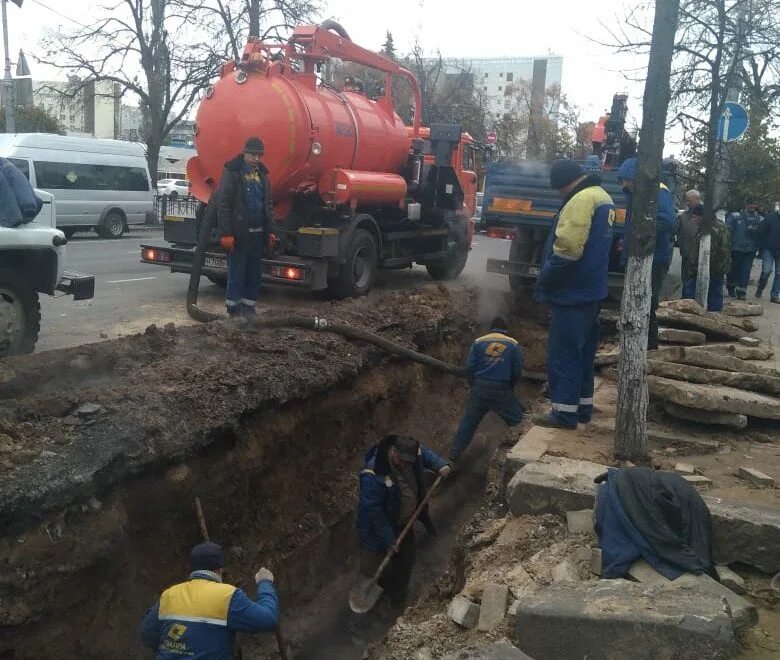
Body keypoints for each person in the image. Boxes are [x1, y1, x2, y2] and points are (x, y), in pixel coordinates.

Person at [533, 159, 614, 430]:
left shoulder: (580, 200)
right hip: (591, 290)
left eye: (558, 189)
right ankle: (582, 409)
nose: (558, 194)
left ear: (564, 183)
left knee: (564, 354)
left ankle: (563, 415)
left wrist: (545, 278)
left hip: (572, 291)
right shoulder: (601, 196)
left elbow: (568, 249)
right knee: (583, 353)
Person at [140, 542, 278, 659]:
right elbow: (267, 619)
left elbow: (147, 634)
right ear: (220, 569)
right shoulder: (228, 596)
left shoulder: (170, 594)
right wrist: (265, 583)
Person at [356, 434, 450, 607]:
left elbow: (423, 453)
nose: (406, 465)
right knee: (374, 565)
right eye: (403, 461)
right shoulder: (373, 475)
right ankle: (375, 596)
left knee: (405, 560)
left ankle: (396, 598)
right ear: (393, 451)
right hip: (377, 529)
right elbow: (375, 513)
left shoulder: (410, 454)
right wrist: (389, 540)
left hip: (403, 523)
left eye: (409, 462)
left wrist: (440, 464)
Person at [617, 157, 676, 349]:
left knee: (646, 302)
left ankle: (649, 346)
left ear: (635, 177)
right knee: (639, 301)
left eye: (626, 180)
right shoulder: (638, 192)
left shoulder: (658, 191)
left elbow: (667, 220)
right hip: (642, 255)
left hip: (653, 257)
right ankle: (639, 344)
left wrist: (641, 233)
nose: (624, 185)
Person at [448, 317, 524, 463]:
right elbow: (517, 370)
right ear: (505, 330)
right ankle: (519, 454)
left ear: (491, 328)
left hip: (479, 387)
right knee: (519, 421)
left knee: (469, 423)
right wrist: (510, 387)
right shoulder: (513, 344)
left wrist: (473, 384)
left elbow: (469, 367)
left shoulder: (478, 342)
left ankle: (453, 456)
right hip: (501, 388)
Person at [217, 137, 274, 319]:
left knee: (253, 274)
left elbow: (268, 204)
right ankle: (234, 309)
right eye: (253, 155)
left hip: (258, 234)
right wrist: (226, 233)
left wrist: (271, 230)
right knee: (237, 272)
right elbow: (224, 205)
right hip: (240, 234)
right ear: (245, 153)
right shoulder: (233, 173)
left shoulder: (262, 175)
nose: (256, 159)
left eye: (259, 156)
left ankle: (249, 308)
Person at [680, 204, 730, 311]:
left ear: (701, 216)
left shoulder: (709, 230)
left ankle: (690, 313)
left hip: (709, 268)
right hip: (719, 267)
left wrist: (695, 267)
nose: (693, 220)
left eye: (694, 217)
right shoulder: (719, 225)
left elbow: (709, 252)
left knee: (691, 292)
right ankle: (714, 314)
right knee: (715, 293)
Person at [726, 202, 762, 300]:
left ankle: (742, 291)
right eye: (751, 205)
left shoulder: (759, 218)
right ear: (746, 205)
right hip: (736, 247)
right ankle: (731, 286)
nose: (752, 207)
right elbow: (728, 229)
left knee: (745, 271)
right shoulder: (735, 216)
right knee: (734, 270)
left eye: (754, 206)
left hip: (750, 249)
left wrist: (756, 231)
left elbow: (762, 232)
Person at [0, 156, 42, 228]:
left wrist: (11, 218)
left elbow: (5, 191)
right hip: (32, 204)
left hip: (15, 212)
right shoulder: (7, 164)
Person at [677, 190, 703, 282]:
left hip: (700, 255)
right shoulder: (683, 216)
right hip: (686, 253)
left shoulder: (706, 214)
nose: (687, 203)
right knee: (685, 278)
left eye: (690, 201)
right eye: (686, 200)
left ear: (697, 200)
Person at [756, 205, 780, 303]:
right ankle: (760, 287)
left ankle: (774, 295)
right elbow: (762, 230)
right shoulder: (770, 217)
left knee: (779, 274)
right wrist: (762, 245)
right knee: (766, 270)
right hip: (769, 249)